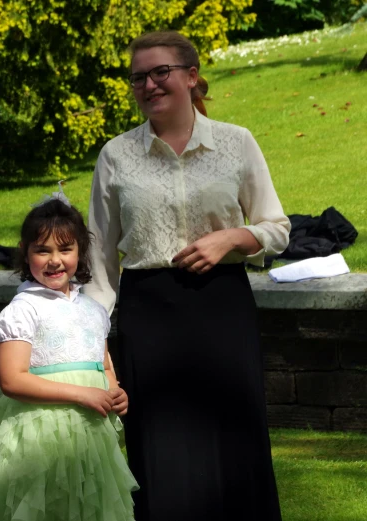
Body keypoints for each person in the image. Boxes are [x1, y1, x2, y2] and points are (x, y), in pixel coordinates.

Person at [87, 30, 290, 521]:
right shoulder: (116, 155)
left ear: (192, 76)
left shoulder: (236, 142)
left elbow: (277, 228)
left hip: (222, 308)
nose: (149, 85)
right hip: (147, 316)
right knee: (160, 450)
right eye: (139, 77)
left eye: (162, 73)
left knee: (235, 440)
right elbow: (99, 255)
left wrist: (232, 239)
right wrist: (91, 335)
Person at [0, 188, 138, 521]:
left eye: (65, 249)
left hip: (90, 434)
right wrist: (80, 394)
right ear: (26, 253)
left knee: (90, 508)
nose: (55, 260)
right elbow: (13, 380)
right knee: (50, 507)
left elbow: (104, 364)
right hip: (42, 433)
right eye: (43, 250)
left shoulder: (94, 309)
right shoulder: (23, 309)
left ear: (80, 251)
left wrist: (114, 391)